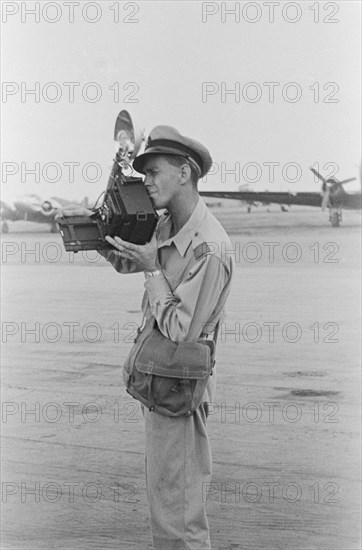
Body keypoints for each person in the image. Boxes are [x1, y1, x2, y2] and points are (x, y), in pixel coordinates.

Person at [62, 125, 234, 549]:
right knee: (166, 498)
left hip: (179, 383)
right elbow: (133, 265)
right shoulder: (167, 226)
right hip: (159, 378)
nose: (147, 182)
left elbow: (181, 328)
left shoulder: (209, 248)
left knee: (178, 510)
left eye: (154, 171)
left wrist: (153, 268)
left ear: (185, 173)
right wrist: (102, 239)